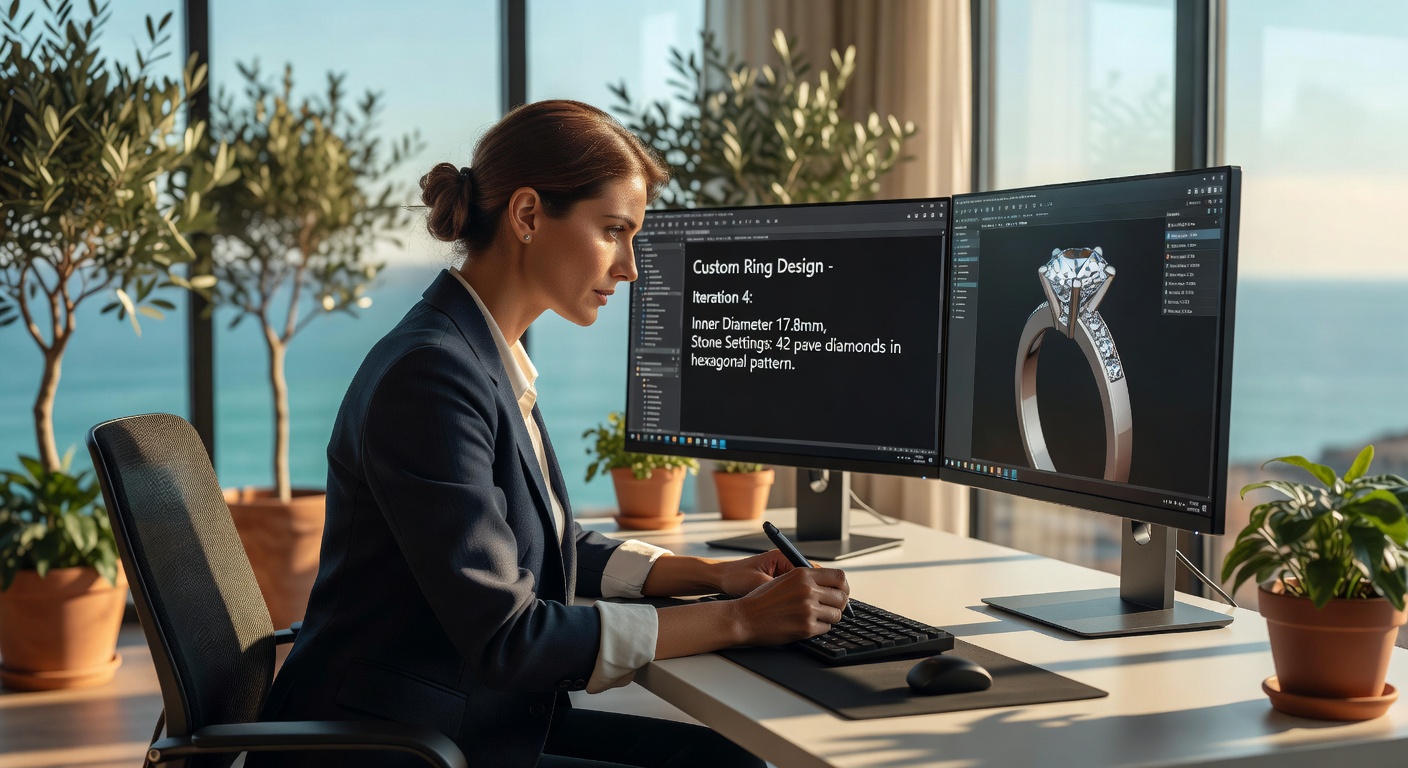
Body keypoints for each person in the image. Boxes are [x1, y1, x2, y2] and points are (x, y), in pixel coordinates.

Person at [251, 100, 851, 768]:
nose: (630, 265)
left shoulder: (476, 354)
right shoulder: (432, 377)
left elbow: (535, 542)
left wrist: (708, 575)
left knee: (723, 759)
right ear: (529, 215)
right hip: (400, 743)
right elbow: (511, 638)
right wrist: (737, 620)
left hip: (460, 719)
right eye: (614, 230)